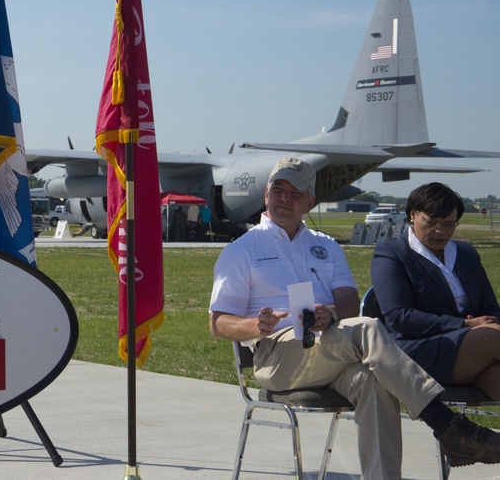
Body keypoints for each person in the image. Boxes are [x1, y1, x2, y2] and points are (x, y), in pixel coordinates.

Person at [209, 157, 500, 475]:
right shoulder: (241, 250)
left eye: (295, 193)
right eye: (278, 190)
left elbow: (348, 301)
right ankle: (448, 427)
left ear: (310, 202)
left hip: (331, 348)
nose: (285, 199)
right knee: (369, 328)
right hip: (278, 355)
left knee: (372, 381)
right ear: (266, 194)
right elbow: (218, 322)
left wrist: (331, 313)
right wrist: (254, 324)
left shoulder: (326, 246)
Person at [372, 182, 500, 398]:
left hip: (473, 349)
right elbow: (399, 317)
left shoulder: (466, 252)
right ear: (413, 215)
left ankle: (462, 432)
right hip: (417, 350)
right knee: (491, 336)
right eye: (432, 222)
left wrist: (487, 322)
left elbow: (490, 308)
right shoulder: (392, 254)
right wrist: (465, 324)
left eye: (450, 224)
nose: (441, 231)